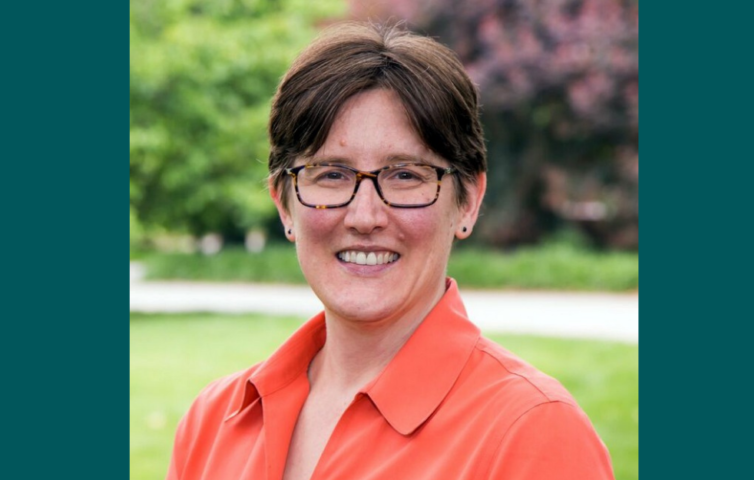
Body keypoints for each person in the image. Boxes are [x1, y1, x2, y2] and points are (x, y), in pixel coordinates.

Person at [166, 22, 614, 480]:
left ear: (469, 201)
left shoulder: (531, 432)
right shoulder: (212, 422)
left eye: (406, 175)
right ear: (284, 204)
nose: (364, 216)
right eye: (331, 174)